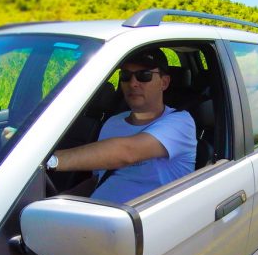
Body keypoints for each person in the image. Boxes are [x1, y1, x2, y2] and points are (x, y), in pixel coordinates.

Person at [10, 48, 197, 204]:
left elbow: (127, 152)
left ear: (164, 82)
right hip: (94, 219)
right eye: (126, 76)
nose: (133, 83)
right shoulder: (113, 123)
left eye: (144, 75)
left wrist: (46, 160)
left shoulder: (180, 122)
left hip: (143, 225)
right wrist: (59, 201)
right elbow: (98, 180)